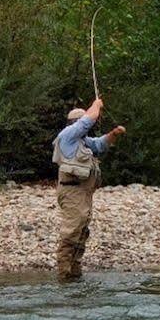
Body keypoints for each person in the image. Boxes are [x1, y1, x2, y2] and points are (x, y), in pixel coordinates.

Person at [52, 95, 126, 280]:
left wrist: (114, 134)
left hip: (83, 193)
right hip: (71, 192)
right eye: (79, 121)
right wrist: (97, 105)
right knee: (72, 230)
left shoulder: (84, 142)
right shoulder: (67, 136)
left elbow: (100, 144)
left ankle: (74, 272)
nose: (82, 124)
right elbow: (87, 121)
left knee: (82, 230)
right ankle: (64, 275)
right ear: (73, 123)